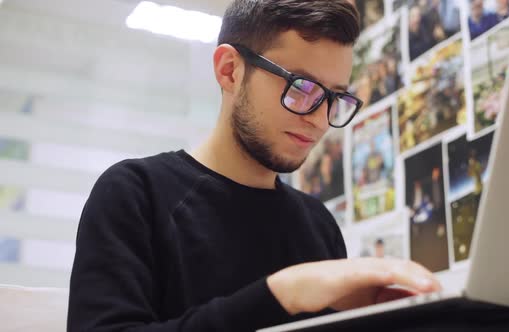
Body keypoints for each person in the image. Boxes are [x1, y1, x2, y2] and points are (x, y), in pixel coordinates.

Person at [66, 1, 441, 332]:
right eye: (301, 88)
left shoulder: (318, 224)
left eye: (334, 97)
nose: (320, 120)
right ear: (230, 70)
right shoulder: (135, 193)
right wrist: (280, 294)